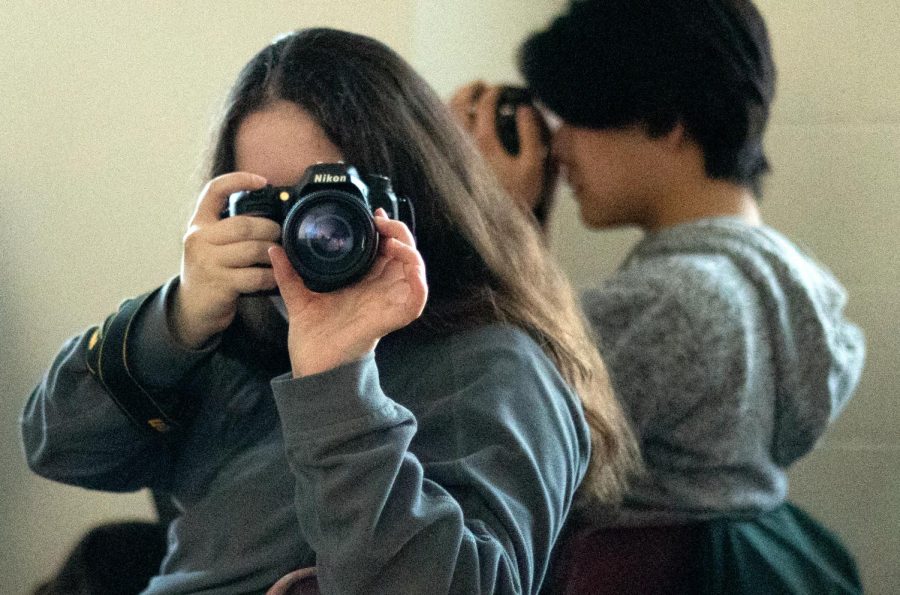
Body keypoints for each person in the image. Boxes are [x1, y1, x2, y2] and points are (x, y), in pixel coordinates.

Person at [21, 27, 639, 594]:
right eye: (270, 200)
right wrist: (174, 322)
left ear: (412, 193)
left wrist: (335, 382)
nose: (305, 231)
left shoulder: (494, 365)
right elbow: (58, 447)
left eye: (331, 195)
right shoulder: (234, 333)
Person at [452, 1, 866, 593]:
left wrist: (483, 215)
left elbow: (494, 433)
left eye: (577, 117)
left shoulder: (674, 303)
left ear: (666, 121)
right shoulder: (788, 287)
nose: (559, 146)